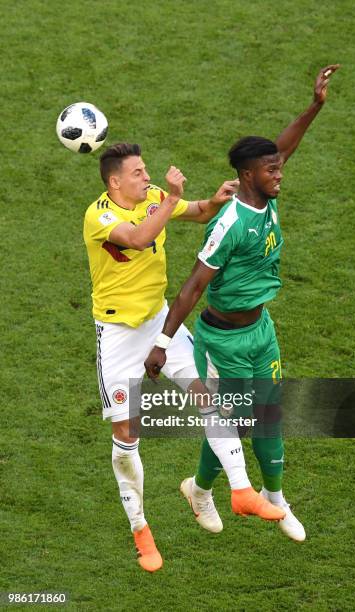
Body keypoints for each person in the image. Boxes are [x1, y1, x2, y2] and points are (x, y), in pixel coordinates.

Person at [145, 65, 340, 544]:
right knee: (231, 423)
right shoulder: (228, 224)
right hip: (223, 340)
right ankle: (205, 491)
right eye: (272, 169)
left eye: (278, 166)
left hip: (261, 330)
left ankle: (269, 497)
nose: (280, 173)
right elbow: (192, 287)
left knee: (268, 413)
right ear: (246, 176)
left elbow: (285, 146)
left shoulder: (266, 194)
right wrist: (164, 343)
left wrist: (315, 105)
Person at [83, 143, 240, 572]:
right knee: (125, 440)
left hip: (159, 323)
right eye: (138, 172)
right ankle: (141, 530)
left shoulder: (154, 198)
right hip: (117, 336)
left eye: (146, 169)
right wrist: (170, 198)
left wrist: (216, 199)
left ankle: (205, 492)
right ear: (115, 181)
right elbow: (138, 238)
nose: (146, 176)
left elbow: (200, 211)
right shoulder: (99, 216)